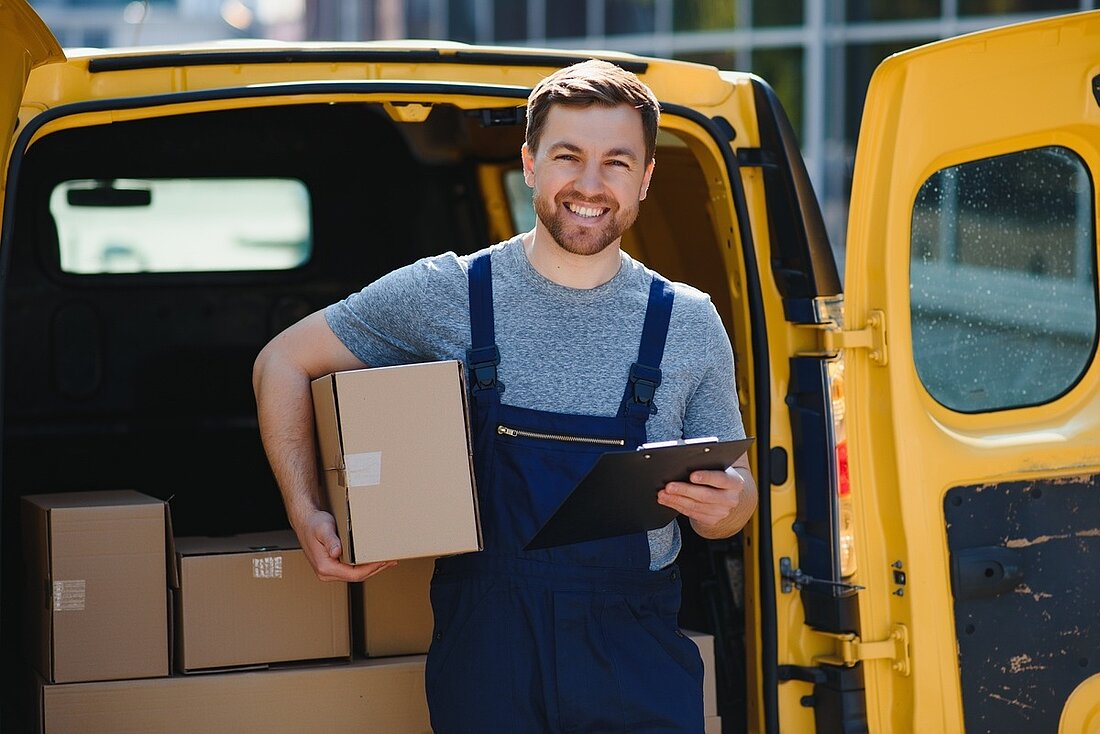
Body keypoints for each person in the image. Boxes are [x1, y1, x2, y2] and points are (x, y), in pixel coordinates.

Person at [252, 58, 758, 733]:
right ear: (529, 161)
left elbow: (732, 501)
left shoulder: (688, 321)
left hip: (631, 661)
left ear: (645, 176)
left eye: (616, 161)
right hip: (487, 660)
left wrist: (729, 507)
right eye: (568, 156)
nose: (589, 184)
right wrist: (306, 508)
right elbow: (281, 361)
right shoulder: (449, 293)